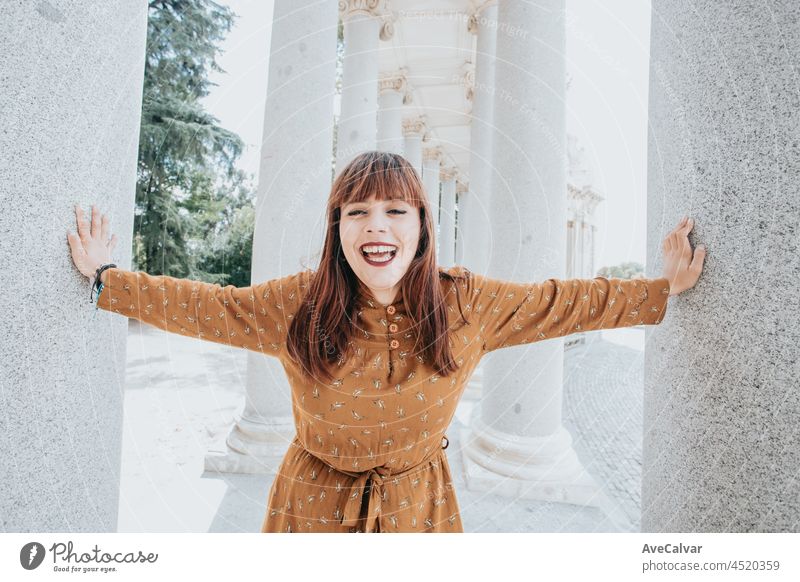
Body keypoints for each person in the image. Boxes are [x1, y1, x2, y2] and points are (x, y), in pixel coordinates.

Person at [67, 151, 706, 533]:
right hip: (310, 507)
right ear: (337, 227)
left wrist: (662, 290)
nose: (377, 227)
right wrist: (105, 277)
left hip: (419, 508)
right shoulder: (296, 305)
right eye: (358, 212)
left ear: (423, 226)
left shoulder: (468, 303)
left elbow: (563, 302)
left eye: (396, 210)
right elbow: (203, 306)